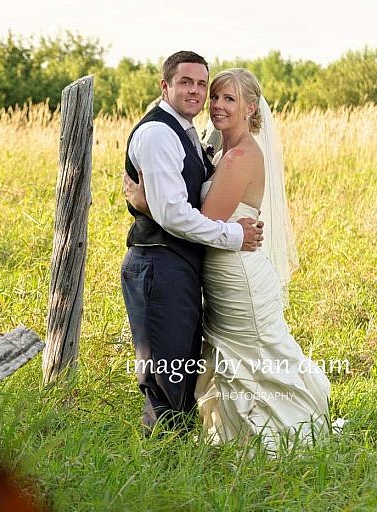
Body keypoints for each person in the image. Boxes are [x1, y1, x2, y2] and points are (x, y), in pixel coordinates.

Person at [125, 68, 331, 449]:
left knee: (253, 354)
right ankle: (237, 433)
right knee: (234, 359)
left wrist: (146, 204)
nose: (217, 104)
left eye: (229, 99)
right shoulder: (218, 150)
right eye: (215, 96)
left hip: (239, 275)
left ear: (251, 108)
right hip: (221, 270)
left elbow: (205, 221)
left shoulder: (239, 157)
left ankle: (285, 433)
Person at [120, 51, 264, 435]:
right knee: (165, 377)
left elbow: (178, 201)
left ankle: (178, 453)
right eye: (187, 82)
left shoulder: (188, 133)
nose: (199, 93)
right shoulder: (157, 134)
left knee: (182, 369)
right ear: (165, 86)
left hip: (181, 266)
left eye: (203, 84)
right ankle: (162, 465)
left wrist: (145, 201)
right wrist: (234, 234)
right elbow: (174, 214)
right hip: (158, 265)